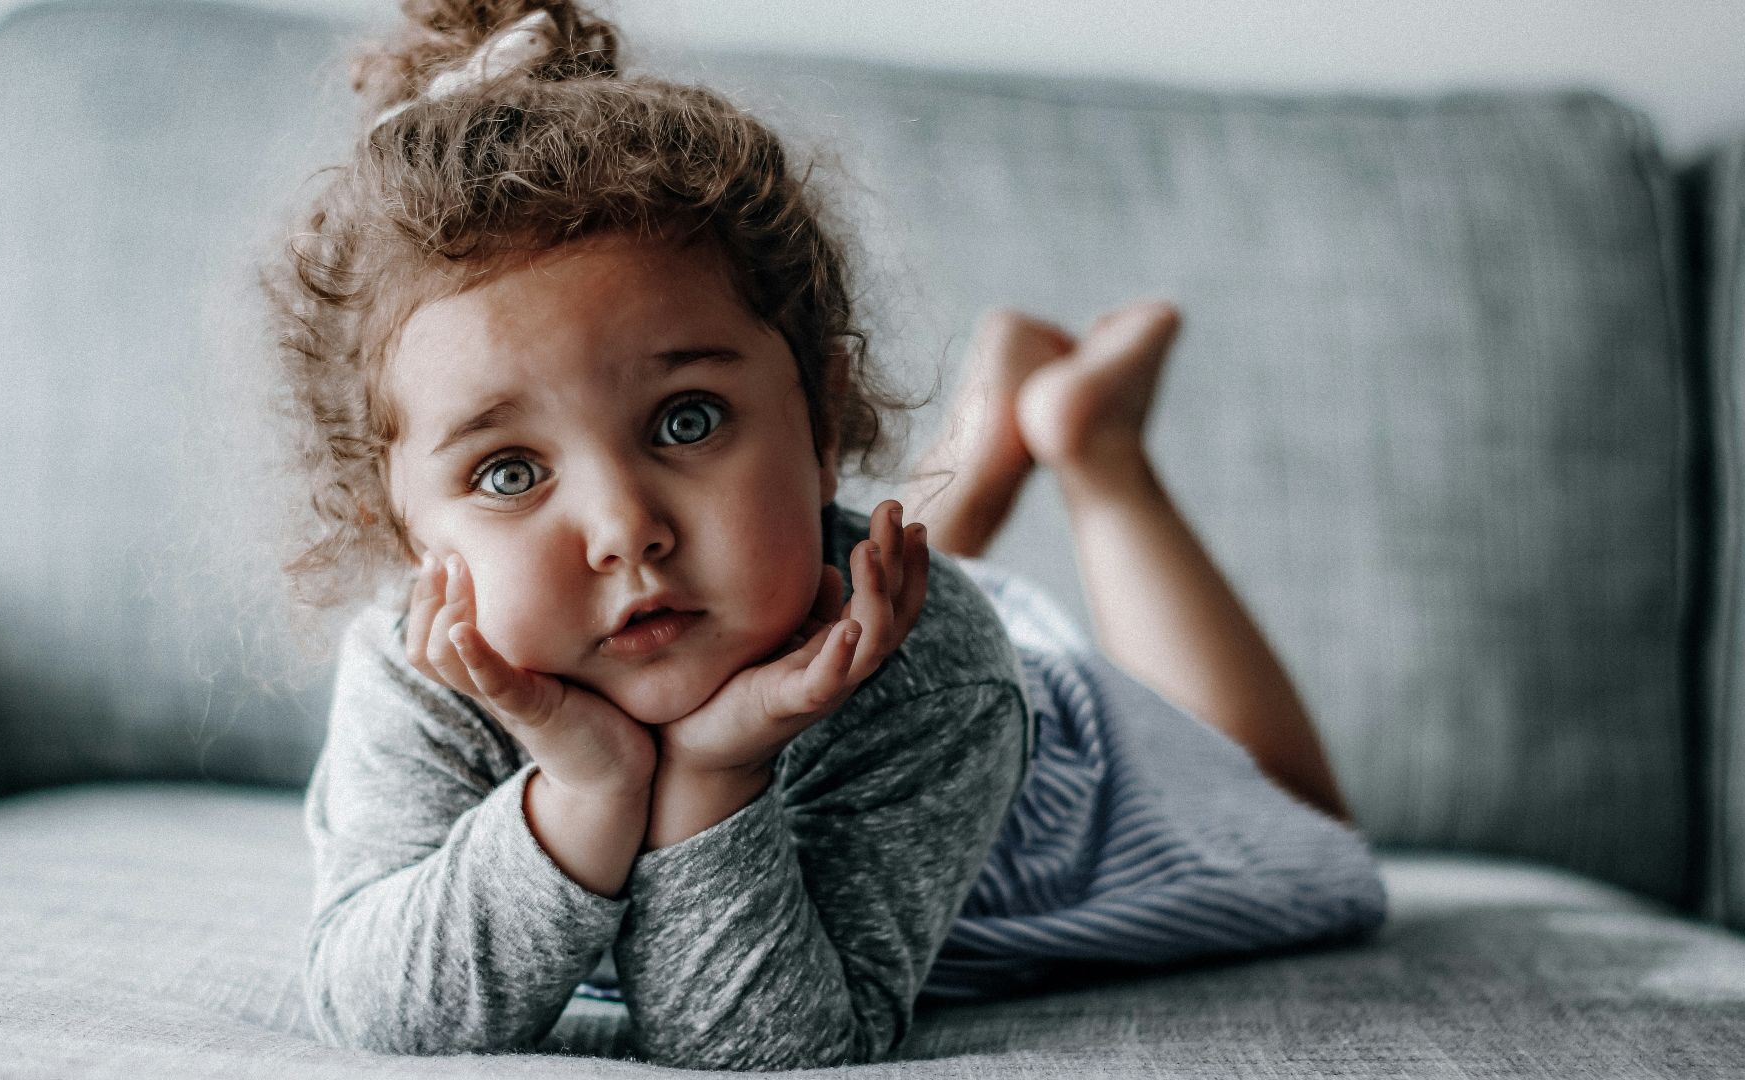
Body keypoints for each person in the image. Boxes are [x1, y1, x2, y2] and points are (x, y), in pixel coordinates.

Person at [266, 1, 1385, 1070]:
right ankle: (991, 444)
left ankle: (1099, 455)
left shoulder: (939, 680)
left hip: (1066, 789)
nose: (624, 531)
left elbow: (767, 1042)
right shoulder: (419, 670)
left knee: (1311, 830)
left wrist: (714, 770)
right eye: (508, 472)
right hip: (837, 602)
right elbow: (377, 1005)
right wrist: (581, 793)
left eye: (686, 420)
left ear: (822, 414)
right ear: (404, 532)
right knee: (803, 576)